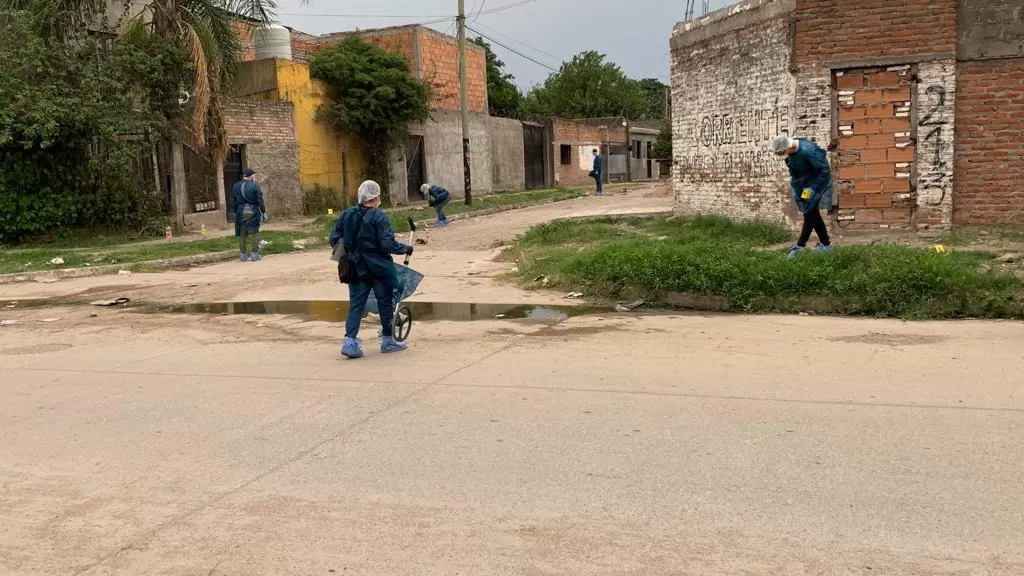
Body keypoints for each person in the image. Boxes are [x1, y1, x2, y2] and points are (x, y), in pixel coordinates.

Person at [329, 180, 414, 359]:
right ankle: (388, 340)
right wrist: (405, 249)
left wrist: (349, 254)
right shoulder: (378, 217)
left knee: (356, 304)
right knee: (385, 302)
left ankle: (350, 342)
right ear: (375, 197)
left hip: (356, 267)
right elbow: (387, 243)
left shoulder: (347, 215)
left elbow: (334, 238)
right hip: (379, 268)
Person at [772, 136, 833, 259]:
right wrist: (797, 188)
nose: (783, 156)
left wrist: (813, 188)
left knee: (810, 213)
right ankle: (826, 245)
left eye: (783, 152)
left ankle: (800, 246)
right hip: (805, 184)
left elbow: (824, 169)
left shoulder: (808, 150)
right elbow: (794, 172)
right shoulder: (789, 153)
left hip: (818, 183)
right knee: (812, 213)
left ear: (790, 146)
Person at [232, 168, 268, 262]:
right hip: (251, 210)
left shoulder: (235, 186)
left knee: (242, 233)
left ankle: (243, 255)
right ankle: (254, 254)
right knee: (254, 231)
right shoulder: (254, 186)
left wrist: (237, 211)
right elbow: (260, 200)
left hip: (240, 211)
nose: (254, 176)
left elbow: (233, 201)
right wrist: (263, 211)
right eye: (253, 174)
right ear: (251, 175)